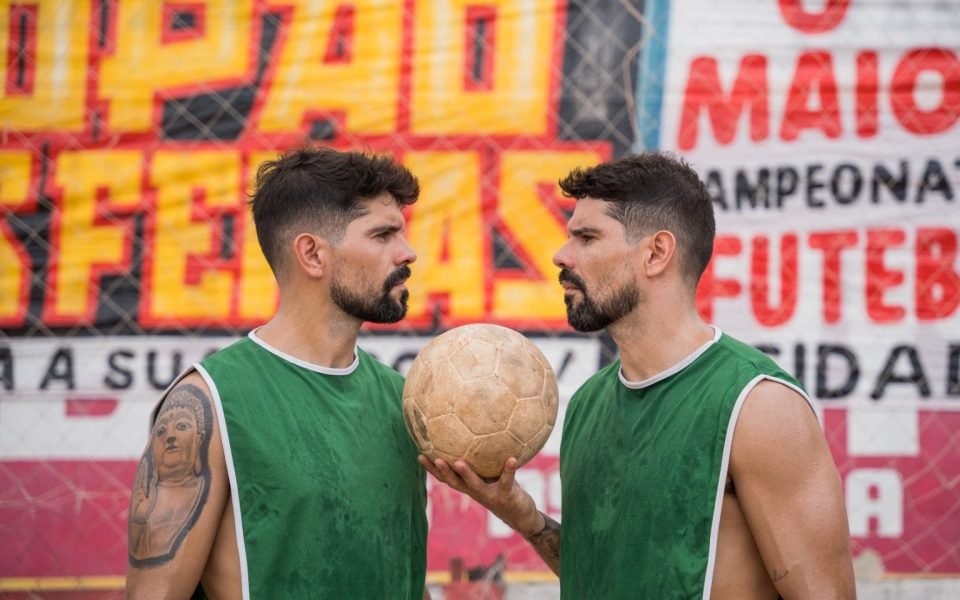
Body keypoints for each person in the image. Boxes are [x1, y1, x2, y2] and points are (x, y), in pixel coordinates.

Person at [421, 153, 856, 599]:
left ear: (656, 253)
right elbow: (602, 576)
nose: (560, 255)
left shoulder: (757, 405)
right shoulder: (589, 401)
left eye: (587, 237)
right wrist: (525, 518)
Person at [126, 147, 428, 599]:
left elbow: (401, 576)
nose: (408, 252)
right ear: (312, 254)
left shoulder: (403, 400)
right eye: (383, 234)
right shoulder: (209, 403)